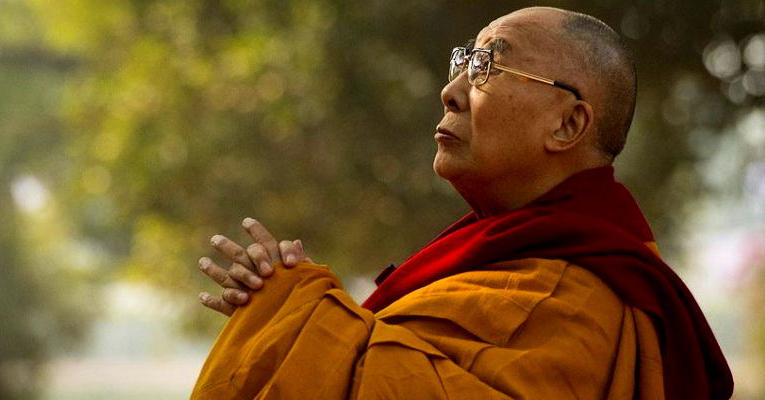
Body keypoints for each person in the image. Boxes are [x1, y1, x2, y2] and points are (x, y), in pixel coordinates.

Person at [190, 7, 734, 400]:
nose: (451, 91)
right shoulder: (506, 264)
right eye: (463, 63)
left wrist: (295, 313)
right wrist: (287, 303)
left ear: (568, 124)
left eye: (487, 69)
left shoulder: (566, 297)